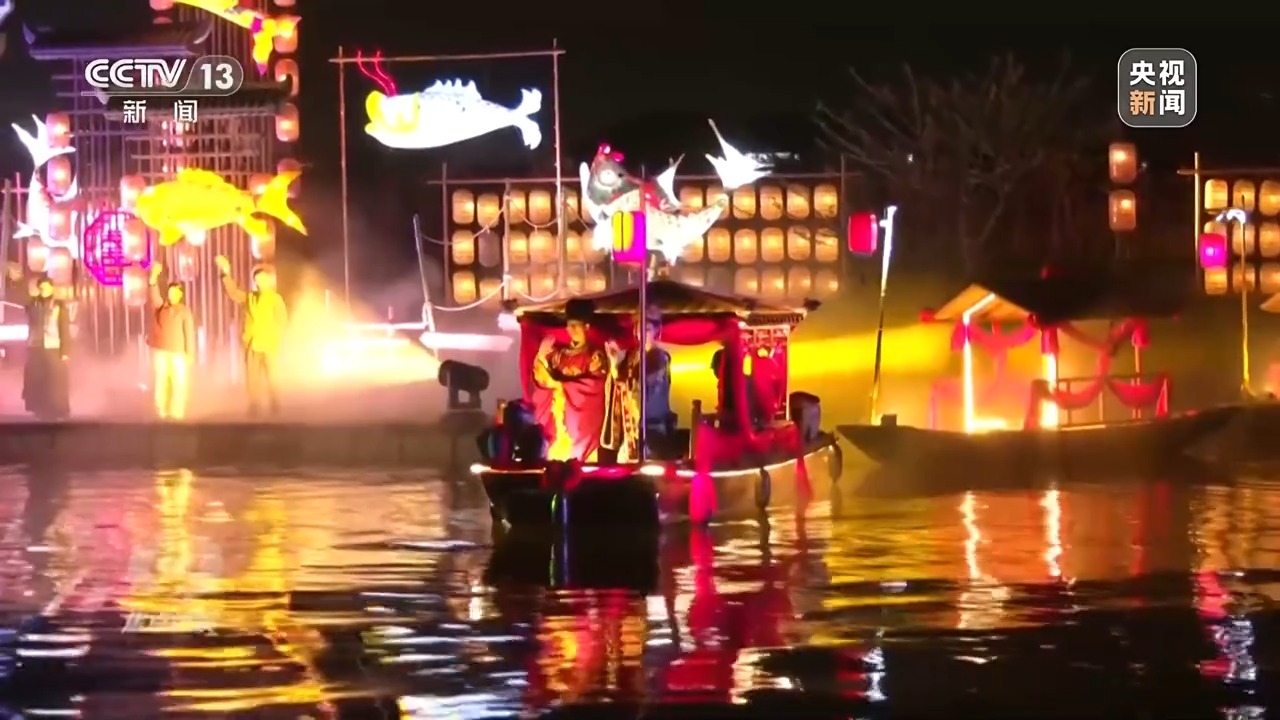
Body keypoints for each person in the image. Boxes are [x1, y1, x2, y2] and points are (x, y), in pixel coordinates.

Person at [529, 299, 609, 461]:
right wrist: (541, 357)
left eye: (576, 325)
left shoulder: (594, 356)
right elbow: (544, 380)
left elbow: (595, 385)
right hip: (559, 414)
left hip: (582, 419)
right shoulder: (558, 355)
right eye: (569, 325)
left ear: (586, 327)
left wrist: (561, 386)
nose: (571, 329)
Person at [215, 255, 287, 417]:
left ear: (268, 281)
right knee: (252, 377)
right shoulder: (250, 297)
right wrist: (226, 272)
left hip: (268, 344)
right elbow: (233, 293)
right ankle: (254, 405)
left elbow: (282, 321)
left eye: (263, 279)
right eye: (257, 280)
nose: (260, 283)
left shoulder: (276, 299)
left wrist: (275, 339)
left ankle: (275, 403)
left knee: (272, 376)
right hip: (252, 343)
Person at [605, 309, 672, 461]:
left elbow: (636, 382)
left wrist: (618, 368)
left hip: (652, 428)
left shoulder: (659, 357)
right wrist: (615, 363)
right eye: (638, 327)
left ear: (656, 330)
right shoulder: (633, 356)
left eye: (646, 328)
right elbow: (621, 383)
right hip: (631, 427)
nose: (641, 332)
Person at [7, 265, 71, 420]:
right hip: (35, 346)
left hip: (53, 346)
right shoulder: (33, 304)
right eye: (41, 288)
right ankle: (39, 408)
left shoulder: (59, 306)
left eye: (47, 288)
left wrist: (65, 351)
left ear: (52, 289)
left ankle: (57, 409)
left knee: (54, 380)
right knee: (36, 379)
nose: (44, 291)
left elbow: (64, 329)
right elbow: (18, 296)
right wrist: (17, 281)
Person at [147, 263, 195, 420]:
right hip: (161, 351)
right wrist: (154, 276)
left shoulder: (184, 311)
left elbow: (189, 333)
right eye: (170, 292)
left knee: (179, 383)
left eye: (176, 292)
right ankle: (161, 411)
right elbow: (153, 294)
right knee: (161, 381)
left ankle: (177, 412)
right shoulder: (161, 307)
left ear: (180, 295)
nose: (172, 294)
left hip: (178, 352)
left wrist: (190, 353)